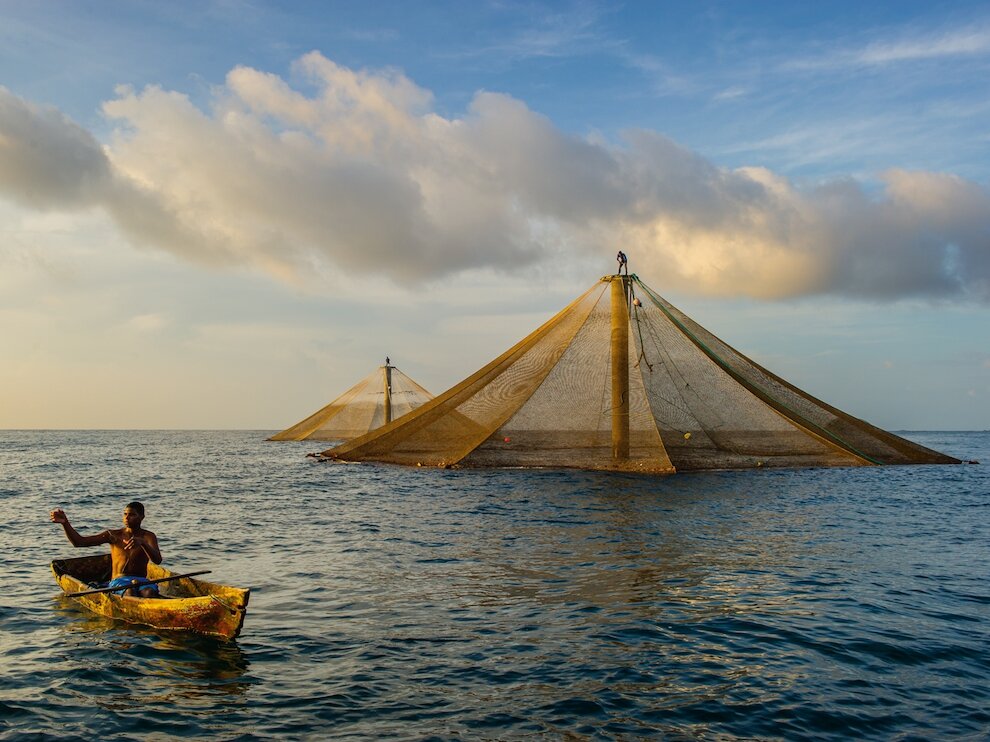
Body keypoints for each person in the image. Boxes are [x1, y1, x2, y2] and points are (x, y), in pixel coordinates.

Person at [50, 501, 163, 598]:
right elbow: (79, 542)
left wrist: (143, 544)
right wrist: (65, 523)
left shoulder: (148, 536)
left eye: (132, 515)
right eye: (125, 514)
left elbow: (157, 560)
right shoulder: (113, 535)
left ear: (142, 517)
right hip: (119, 580)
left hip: (142, 580)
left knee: (149, 593)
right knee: (129, 592)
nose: (127, 518)